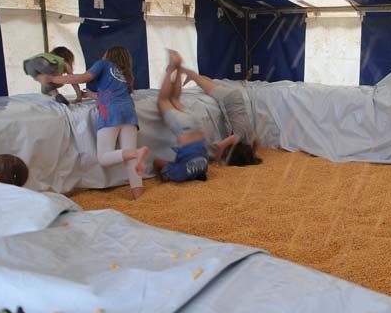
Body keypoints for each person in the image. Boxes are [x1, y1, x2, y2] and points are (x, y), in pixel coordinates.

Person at [42, 46, 148, 199]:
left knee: (104, 157)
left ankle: (136, 153)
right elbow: (111, 95)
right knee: (130, 160)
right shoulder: (124, 73)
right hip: (129, 113)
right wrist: (91, 95)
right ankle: (139, 196)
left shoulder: (103, 64)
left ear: (109, 54)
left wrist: (53, 79)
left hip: (111, 113)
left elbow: (82, 78)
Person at [179, 52, 262, 166]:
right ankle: (182, 69)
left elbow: (257, 143)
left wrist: (253, 154)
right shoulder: (237, 138)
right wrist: (218, 161)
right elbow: (219, 146)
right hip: (228, 98)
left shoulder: (251, 136)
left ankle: (193, 75)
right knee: (202, 83)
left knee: (209, 83)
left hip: (237, 96)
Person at [153, 51, 208, 182]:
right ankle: (171, 67)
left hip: (198, 127)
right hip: (184, 131)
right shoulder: (178, 174)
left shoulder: (204, 168)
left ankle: (178, 68)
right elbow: (157, 162)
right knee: (163, 100)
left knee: (175, 100)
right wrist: (163, 173)